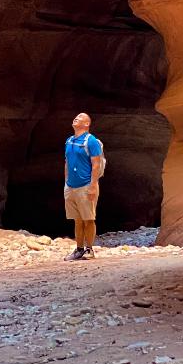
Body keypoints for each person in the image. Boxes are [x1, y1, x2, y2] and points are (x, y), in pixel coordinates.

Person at [64, 111, 103, 260]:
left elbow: (96, 164)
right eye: (76, 116)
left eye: (80, 117)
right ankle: (79, 249)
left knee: (89, 219)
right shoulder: (69, 141)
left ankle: (89, 250)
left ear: (86, 124)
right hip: (71, 186)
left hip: (86, 186)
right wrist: (66, 182)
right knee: (77, 220)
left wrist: (93, 186)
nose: (76, 118)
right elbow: (66, 162)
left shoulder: (91, 141)